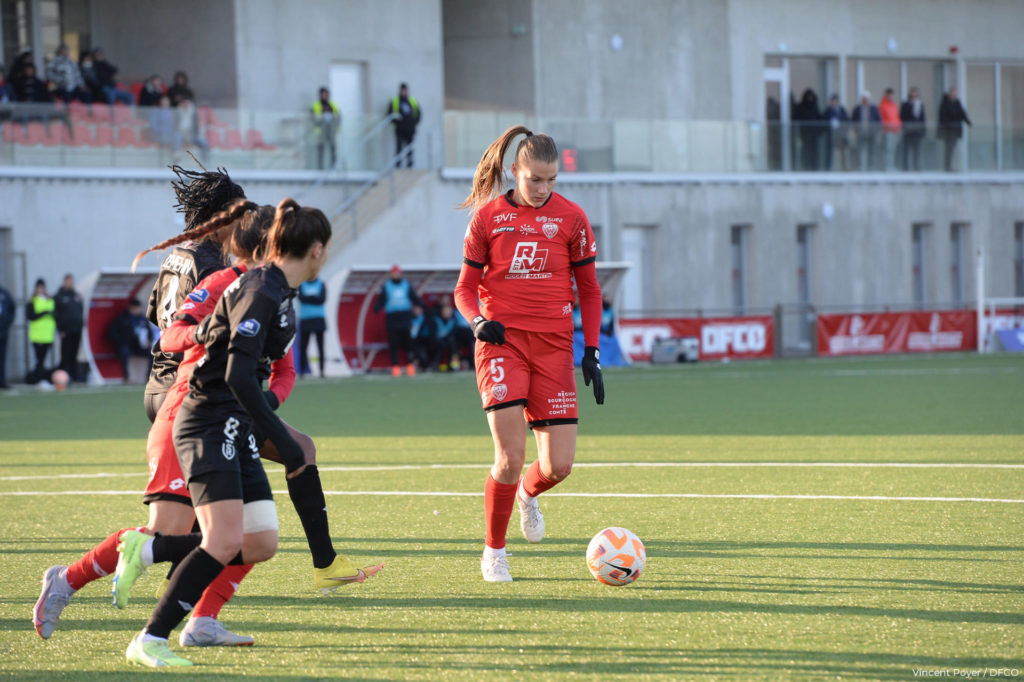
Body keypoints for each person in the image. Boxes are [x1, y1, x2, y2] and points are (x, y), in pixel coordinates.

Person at [119, 198, 335, 667]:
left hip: (235, 425)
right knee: (220, 541)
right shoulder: (261, 290)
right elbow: (237, 375)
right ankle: (151, 638)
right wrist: (279, 434)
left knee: (260, 542)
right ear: (317, 249)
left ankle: (162, 565)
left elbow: (267, 372)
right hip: (209, 421)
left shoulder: (280, 290)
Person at [453, 125, 605, 582]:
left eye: (551, 180)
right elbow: (463, 289)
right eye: (534, 179)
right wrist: (478, 322)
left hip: (555, 348)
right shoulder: (487, 219)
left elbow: (590, 290)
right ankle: (494, 552)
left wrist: (592, 350)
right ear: (514, 171)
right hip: (502, 345)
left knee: (559, 466)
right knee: (509, 457)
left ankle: (526, 494)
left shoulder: (572, 219)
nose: (543, 188)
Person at [144, 165, 245, 424]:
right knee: (293, 444)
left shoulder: (175, 255)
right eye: (238, 216)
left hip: (156, 386)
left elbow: (155, 315)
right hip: (189, 390)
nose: (242, 225)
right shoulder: (215, 267)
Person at [372, 264, 423, 376]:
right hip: (392, 317)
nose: (395, 275)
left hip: (405, 316)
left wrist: (421, 304)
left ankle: (409, 365)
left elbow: (413, 296)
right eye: (393, 273)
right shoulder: (387, 285)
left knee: (408, 343)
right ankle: (395, 367)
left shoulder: (406, 284)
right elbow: (382, 299)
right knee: (393, 343)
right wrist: (377, 307)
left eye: (397, 273)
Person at [108, 298, 156, 382]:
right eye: (135, 308)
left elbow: (150, 333)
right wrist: (122, 342)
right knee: (124, 352)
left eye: (138, 308)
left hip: (140, 346)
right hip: (126, 346)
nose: (136, 310)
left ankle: (148, 377)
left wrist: (148, 341)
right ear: (130, 308)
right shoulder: (122, 318)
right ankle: (126, 377)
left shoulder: (142, 319)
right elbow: (112, 333)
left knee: (153, 353)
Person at [53, 274, 84, 381]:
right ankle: (64, 376)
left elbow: (80, 310)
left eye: (71, 281)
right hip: (65, 331)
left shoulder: (76, 295)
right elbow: (56, 314)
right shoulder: (59, 296)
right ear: (64, 282)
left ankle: (74, 375)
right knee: (65, 354)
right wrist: (60, 329)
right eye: (68, 281)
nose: (70, 283)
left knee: (74, 354)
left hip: (77, 330)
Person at [26, 278, 55, 384]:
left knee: (43, 359)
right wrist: (44, 313)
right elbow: (31, 316)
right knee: (39, 359)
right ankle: (39, 379)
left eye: (42, 288)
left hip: (48, 335)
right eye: (38, 288)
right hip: (37, 335)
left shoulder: (50, 300)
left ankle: (42, 378)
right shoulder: (32, 301)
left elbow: (55, 314)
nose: (40, 290)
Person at [297, 277, 326, 378]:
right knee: (303, 347)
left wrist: (308, 298)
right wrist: (314, 298)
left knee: (320, 347)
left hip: (319, 319)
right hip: (305, 319)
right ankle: (302, 371)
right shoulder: (302, 285)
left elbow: (322, 299)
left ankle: (322, 371)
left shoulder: (321, 284)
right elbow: (301, 298)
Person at [387, 83, 420, 168]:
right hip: (399, 129)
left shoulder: (412, 100)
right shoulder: (395, 101)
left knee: (410, 149)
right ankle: (398, 166)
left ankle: (410, 166)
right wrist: (397, 123)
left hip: (410, 129)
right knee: (399, 148)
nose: (404, 92)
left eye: (405, 90)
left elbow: (418, 113)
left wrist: (413, 123)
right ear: (400, 91)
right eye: (402, 90)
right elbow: (390, 114)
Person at [939, 87, 971, 172]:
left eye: (955, 94)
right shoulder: (945, 104)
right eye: (952, 94)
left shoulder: (957, 103)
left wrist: (968, 122)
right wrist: (947, 124)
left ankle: (951, 166)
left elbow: (962, 113)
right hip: (948, 131)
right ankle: (947, 166)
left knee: (953, 148)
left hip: (956, 130)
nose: (953, 96)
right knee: (949, 148)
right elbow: (943, 116)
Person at [793, 88, 822, 171]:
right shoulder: (800, 107)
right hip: (804, 134)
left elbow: (819, 119)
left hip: (814, 135)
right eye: (808, 97)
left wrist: (818, 132)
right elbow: (796, 119)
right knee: (805, 151)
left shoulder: (814, 107)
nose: (810, 98)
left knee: (814, 151)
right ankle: (805, 166)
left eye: (811, 97)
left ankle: (815, 166)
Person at [311, 87, 340, 170]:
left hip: (331, 130)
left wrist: (333, 122)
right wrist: (321, 120)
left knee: (333, 148)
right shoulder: (316, 105)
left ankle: (334, 166)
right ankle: (320, 168)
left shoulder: (333, 105)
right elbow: (312, 117)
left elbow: (338, 116)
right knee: (321, 149)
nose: (324, 96)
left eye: (326, 94)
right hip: (321, 131)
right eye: (323, 94)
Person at [851, 91, 880, 171]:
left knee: (872, 150)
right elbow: (853, 120)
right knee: (860, 150)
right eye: (863, 99)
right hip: (861, 132)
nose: (865, 100)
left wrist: (876, 130)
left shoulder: (874, 108)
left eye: (866, 99)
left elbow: (878, 120)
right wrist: (856, 130)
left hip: (871, 132)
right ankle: (860, 166)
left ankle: (871, 166)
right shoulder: (857, 109)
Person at [900, 87, 926, 171]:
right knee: (906, 150)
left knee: (917, 150)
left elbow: (922, 118)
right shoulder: (906, 104)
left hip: (917, 131)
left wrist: (923, 130)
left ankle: (916, 166)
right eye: (913, 94)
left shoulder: (920, 105)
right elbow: (902, 117)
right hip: (908, 131)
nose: (914, 96)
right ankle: (905, 167)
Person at [823, 94, 849, 171]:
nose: (834, 102)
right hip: (831, 135)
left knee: (843, 151)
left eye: (835, 101)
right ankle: (828, 167)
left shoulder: (842, 110)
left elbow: (846, 120)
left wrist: (841, 126)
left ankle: (844, 167)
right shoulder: (828, 111)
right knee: (829, 152)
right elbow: (824, 120)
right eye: (833, 101)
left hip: (840, 134)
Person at [879, 88, 902, 171]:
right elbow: (882, 118)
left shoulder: (893, 105)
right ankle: (886, 166)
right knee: (887, 149)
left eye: (892, 95)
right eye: (889, 95)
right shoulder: (883, 105)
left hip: (895, 131)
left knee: (893, 149)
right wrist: (886, 127)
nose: (891, 96)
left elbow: (896, 117)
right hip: (887, 131)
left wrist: (898, 126)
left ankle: (891, 165)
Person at [0, 273, 14, 389]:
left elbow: (12, 308)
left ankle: (2, 381)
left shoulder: (5, 294)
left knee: (2, 358)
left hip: (3, 332)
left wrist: (7, 322)